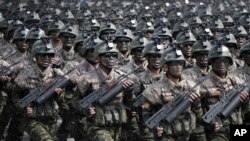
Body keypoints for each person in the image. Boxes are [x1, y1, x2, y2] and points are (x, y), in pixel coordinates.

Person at [142, 47, 201, 141]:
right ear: (165, 67)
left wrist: (197, 105)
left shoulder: (192, 86)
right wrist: (154, 129)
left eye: (181, 64)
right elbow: (145, 114)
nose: (178, 67)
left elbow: (199, 116)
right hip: (166, 136)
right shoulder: (154, 89)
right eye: (174, 64)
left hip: (189, 135)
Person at [12, 38, 65, 141]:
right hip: (32, 120)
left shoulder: (57, 74)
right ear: (36, 56)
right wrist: (24, 108)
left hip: (51, 119)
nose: (46, 58)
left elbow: (62, 101)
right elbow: (15, 96)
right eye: (43, 55)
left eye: (50, 55)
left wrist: (59, 95)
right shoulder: (25, 74)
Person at [200, 44, 249, 141]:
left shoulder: (238, 82)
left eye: (225, 61)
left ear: (229, 62)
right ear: (211, 62)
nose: (222, 64)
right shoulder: (202, 85)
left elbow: (247, 112)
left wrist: (246, 101)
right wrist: (210, 125)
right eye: (217, 61)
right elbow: (197, 115)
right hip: (218, 133)